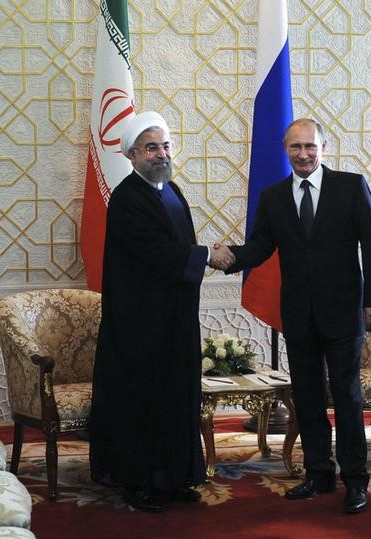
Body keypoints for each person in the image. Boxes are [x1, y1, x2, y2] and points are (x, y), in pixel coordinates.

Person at [220, 118, 371, 514]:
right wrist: (227, 257)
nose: (304, 154)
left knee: (347, 398)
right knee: (308, 399)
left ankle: (356, 480)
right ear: (286, 151)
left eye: (310, 146)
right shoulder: (274, 196)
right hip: (297, 315)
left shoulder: (350, 186)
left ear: (324, 147)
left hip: (344, 313)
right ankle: (318, 473)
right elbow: (260, 248)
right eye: (295, 148)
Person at [89, 111, 234, 513]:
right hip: (139, 325)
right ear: (132, 154)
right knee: (142, 402)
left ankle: (174, 478)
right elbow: (155, 253)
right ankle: (138, 481)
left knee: (177, 397)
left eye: (165, 146)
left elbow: (177, 248)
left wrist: (206, 255)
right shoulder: (126, 198)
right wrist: (208, 256)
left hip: (174, 320)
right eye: (151, 147)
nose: (161, 154)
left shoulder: (172, 192)